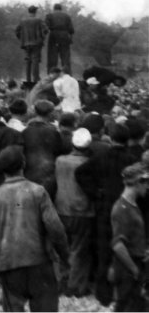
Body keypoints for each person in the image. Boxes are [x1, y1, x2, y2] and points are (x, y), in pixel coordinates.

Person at [0, 145, 69, 312]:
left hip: (8, 265)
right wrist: (64, 255)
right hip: (39, 262)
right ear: (23, 164)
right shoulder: (38, 192)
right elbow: (55, 229)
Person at [74, 122, 139, 306]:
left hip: (104, 209)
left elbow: (80, 173)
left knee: (104, 251)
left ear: (110, 138)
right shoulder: (132, 160)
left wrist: (95, 192)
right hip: (127, 209)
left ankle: (104, 295)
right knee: (126, 250)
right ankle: (124, 293)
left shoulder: (101, 156)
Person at [53, 128, 95, 297]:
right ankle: (75, 286)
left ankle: (61, 282)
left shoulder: (60, 160)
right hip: (83, 211)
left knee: (62, 247)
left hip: (61, 208)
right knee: (79, 250)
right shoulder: (89, 163)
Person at [110, 163, 148, 312]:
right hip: (128, 268)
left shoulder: (131, 205)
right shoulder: (121, 209)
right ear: (138, 183)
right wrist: (134, 270)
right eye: (146, 183)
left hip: (134, 264)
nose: (148, 187)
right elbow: (118, 245)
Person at [22, 99, 65, 196]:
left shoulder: (26, 131)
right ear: (50, 113)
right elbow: (58, 151)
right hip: (48, 175)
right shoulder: (53, 132)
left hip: (29, 174)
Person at [15, 5, 49, 84]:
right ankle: (36, 79)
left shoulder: (23, 21)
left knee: (28, 61)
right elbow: (46, 30)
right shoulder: (39, 21)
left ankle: (28, 79)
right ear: (35, 12)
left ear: (29, 11)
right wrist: (42, 38)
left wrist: (22, 39)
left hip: (26, 44)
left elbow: (17, 31)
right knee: (35, 61)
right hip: (36, 44)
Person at [45, 3, 74, 74]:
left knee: (52, 58)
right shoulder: (67, 16)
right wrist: (70, 39)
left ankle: (51, 75)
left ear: (54, 9)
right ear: (61, 9)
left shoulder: (49, 16)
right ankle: (67, 75)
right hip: (65, 37)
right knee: (65, 58)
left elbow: (45, 28)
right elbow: (71, 30)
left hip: (53, 36)